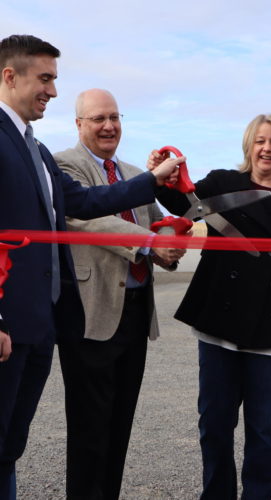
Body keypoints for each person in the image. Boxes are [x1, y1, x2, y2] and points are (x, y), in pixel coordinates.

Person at [0, 35, 183, 500]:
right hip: (39, 320)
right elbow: (86, 216)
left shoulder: (35, 151)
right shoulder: (40, 152)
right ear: (9, 76)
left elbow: (85, 200)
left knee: (10, 446)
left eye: (114, 116)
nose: (52, 91)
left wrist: (155, 190)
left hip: (54, 322)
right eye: (45, 79)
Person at [149, 113, 271, 500]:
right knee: (214, 425)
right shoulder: (221, 182)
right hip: (220, 324)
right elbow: (180, 202)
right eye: (259, 141)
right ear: (249, 146)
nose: (266, 148)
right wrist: (161, 173)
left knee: (265, 432)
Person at [54, 88, 185, 500]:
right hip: (91, 315)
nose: (109, 126)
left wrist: (170, 241)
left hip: (134, 311)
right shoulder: (64, 166)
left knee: (119, 424)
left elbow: (160, 223)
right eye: (98, 119)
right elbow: (84, 218)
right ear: (79, 125)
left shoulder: (134, 174)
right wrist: (149, 241)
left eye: (114, 117)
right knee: (90, 430)